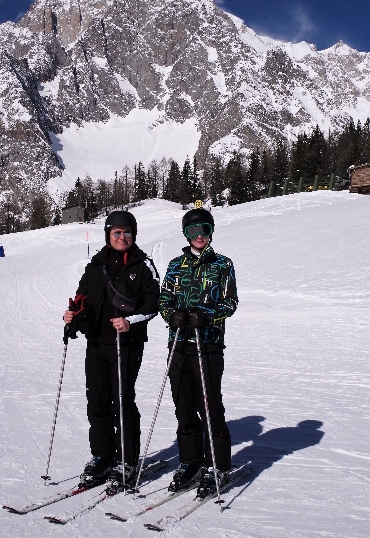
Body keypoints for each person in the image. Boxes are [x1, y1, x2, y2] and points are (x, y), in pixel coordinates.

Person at [62, 210, 160, 489]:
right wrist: (73, 314)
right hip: (97, 344)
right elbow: (82, 298)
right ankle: (102, 456)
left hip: (126, 344)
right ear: (108, 235)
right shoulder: (95, 265)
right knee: (98, 403)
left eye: (127, 232)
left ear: (134, 235)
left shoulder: (143, 265)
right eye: (116, 232)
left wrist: (130, 322)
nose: (122, 237)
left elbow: (153, 305)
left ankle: (127, 460)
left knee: (122, 402)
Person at [158, 207, 238, 497]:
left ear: (211, 231)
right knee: (183, 405)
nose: (199, 236)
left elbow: (230, 302)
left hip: (208, 343)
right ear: (185, 234)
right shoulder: (175, 265)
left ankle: (218, 464)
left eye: (204, 229)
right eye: (193, 231)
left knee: (210, 404)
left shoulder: (222, 264)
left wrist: (209, 317)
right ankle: (191, 461)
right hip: (178, 344)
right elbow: (163, 300)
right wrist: (172, 316)